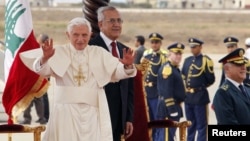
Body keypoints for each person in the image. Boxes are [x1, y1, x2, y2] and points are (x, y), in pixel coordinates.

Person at [20, 17, 137, 141]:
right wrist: (44, 58)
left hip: (92, 113)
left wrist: (127, 66)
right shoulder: (58, 52)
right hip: (65, 113)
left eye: (84, 35)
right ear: (68, 35)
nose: (80, 39)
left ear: (90, 35)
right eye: (76, 35)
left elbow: (117, 72)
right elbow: (43, 71)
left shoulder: (99, 53)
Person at [88, 6, 135, 141]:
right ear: (100, 24)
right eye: (112, 21)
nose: (117, 25)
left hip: (119, 119)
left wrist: (128, 118)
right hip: (96, 116)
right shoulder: (91, 48)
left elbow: (129, 90)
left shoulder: (124, 50)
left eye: (119, 21)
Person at [181, 37, 215, 141]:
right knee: (190, 124)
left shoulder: (206, 60)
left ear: (200, 47)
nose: (192, 49)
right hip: (188, 98)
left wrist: (200, 88)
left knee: (201, 125)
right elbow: (184, 77)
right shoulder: (187, 61)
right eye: (191, 47)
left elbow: (211, 79)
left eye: (195, 47)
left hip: (200, 97)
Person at [141, 32, 168, 141]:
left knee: (158, 120)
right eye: (152, 42)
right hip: (147, 92)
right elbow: (141, 73)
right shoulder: (146, 56)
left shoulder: (163, 57)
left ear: (160, 43)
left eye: (156, 42)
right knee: (149, 120)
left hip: (157, 93)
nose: (154, 45)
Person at [157, 42, 186, 141]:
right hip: (168, 109)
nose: (178, 56)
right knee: (166, 137)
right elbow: (166, 91)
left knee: (169, 136)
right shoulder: (167, 69)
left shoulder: (174, 68)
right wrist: (172, 110)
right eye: (176, 54)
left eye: (180, 54)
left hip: (174, 107)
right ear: (170, 54)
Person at [213, 48, 250, 124]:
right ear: (227, 69)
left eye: (244, 64)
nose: (243, 68)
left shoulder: (247, 89)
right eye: (239, 64)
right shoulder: (223, 94)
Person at [20, 34, 50, 125]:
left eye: (38, 39)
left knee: (29, 98)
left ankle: (28, 118)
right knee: (39, 99)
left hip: (36, 77)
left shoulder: (38, 50)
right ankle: (41, 118)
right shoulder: (45, 50)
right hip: (40, 78)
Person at [37, 33, 50, 122]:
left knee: (43, 95)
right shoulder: (46, 49)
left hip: (44, 74)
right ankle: (44, 116)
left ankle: (44, 117)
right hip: (45, 74)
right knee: (43, 95)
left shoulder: (44, 49)